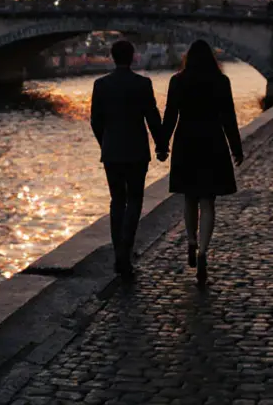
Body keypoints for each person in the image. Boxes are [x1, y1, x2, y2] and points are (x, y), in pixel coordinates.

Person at [162, 40, 243, 288]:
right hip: (212, 142)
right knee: (208, 202)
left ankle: (191, 240)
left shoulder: (177, 81)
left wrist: (162, 144)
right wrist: (236, 148)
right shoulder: (221, 81)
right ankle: (203, 252)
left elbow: (171, 114)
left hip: (186, 141)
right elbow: (229, 116)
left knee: (189, 197)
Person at [89, 40, 167, 279]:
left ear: (112, 57)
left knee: (116, 201)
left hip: (112, 151)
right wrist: (161, 145)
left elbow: (95, 120)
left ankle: (118, 253)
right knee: (134, 200)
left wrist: (105, 143)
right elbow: (152, 116)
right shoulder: (142, 84)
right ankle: (126, 249)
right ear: (133, 57)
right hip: (136, 150)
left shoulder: (101, 85)